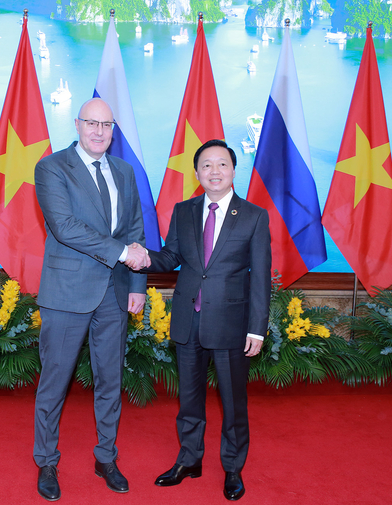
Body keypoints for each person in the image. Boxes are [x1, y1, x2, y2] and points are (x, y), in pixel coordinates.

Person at [130, 139, 271, 501]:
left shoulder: (254, 216)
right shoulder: (184, 210)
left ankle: (233, 468)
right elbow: (172, 256)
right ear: (197, 173)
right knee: (189, 400)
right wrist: (143, 258)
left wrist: (257, 327)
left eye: (221, 164)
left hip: (231, 324)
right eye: (206, 165)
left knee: (233, 402)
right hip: (187, 321)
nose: (214, 171)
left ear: (233, 171)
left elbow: (260, 277)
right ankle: (189, 460)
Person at [32, 98, 150, 502]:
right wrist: (122, 253)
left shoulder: (124, 170)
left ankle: (106, 457)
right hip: (67, 293)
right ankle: (46, 461)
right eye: (91, 123)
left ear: (113, 129)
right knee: (55, 382)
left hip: (115, 292)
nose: (99, 131)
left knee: (110, 380)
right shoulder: (51, 167)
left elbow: (135, 228)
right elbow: (64, 227)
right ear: (77, 124)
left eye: (107, 124)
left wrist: (137, 285)